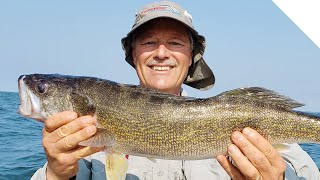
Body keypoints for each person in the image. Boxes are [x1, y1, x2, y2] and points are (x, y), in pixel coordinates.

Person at [32, 1, 319, 180]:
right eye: (148, 42)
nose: (161, 53)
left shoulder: (252, 122)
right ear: (132, 55)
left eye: (176, 43)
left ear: (192, 57)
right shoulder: (84, 147)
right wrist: (56, 174)